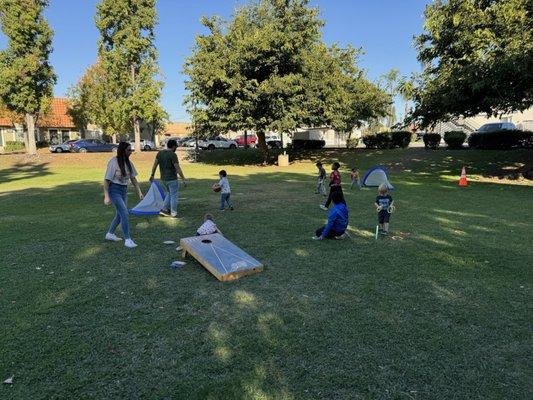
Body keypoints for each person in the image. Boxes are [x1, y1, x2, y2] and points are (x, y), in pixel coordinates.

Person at [103, 142, 143, 248]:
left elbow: (133, 179)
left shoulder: (129, 163)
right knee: (124, 213)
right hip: (114, 190)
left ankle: (110, 234)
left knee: (120, 214)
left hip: (124, 190)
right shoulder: (113, 162)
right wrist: (106, 196)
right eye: (129, 150)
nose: (131, 152)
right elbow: (106, 180)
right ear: (123, 151)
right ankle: (128, 240)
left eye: (131, 150)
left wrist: (139, 192)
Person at [149, 139, 187, 218]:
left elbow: (155, 165)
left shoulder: (159, 153)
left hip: (163, 179)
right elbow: (178, 168)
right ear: (173, 146)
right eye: (176, 146)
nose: (176, 148)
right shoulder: (173, 155)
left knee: (169, 193)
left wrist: (152, 175)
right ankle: (173, 213)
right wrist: (183, 178)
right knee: (174, 196)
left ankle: (164, 209)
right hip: (172, 179)